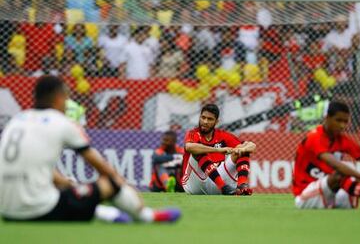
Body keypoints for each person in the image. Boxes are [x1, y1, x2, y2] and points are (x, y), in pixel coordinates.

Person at [0, 76, 181, 222]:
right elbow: (102, 168)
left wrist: (66, 183)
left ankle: (105, 214)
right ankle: (146, 216)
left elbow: (32, 164)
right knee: (109, 183)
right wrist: (123, 186)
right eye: (66, 97)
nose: (66, 102)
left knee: (67, 185)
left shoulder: (17, 120)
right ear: (58, 98)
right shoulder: (61, 122)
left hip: (6, 210)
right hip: (37, 210)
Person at [182, 104, 256, 195]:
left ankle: (242, 186)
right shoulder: (193, 133)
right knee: (197, 150)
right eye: (203, 117)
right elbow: (189, 147)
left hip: (215, 180)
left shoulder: (223, 135)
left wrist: (241, 150)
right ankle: (222, 186)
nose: (205, 121)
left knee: (242, 149)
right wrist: (220, 150)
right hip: (194, 184)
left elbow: (252, 146)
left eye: (210, 119)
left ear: (216, 122)